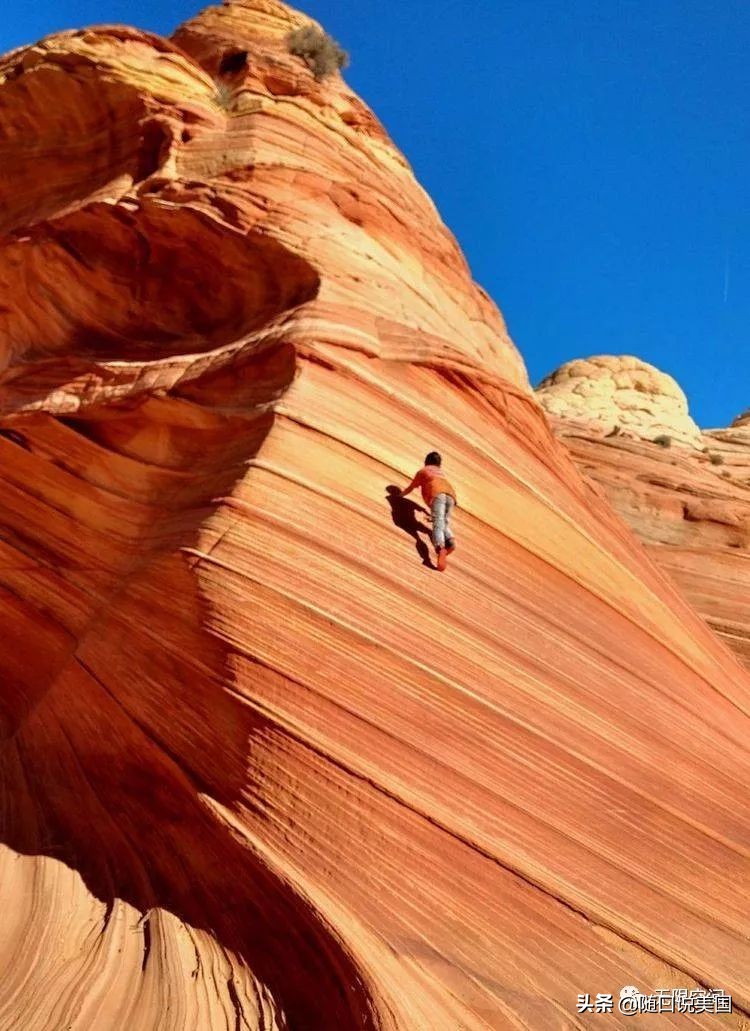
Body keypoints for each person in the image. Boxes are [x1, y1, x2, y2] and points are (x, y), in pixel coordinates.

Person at [399, 451, 456, 571]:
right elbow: (420, 509)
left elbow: (410, 488)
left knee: (437, 526)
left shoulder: (423, 471)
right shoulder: (440, 473)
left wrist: (400, 495)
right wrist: (428, 514)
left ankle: (440, 547)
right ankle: (450, 541)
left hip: (437, 493)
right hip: (451, 495)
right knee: (443, 522)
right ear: (439, 464)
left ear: (426, 462)